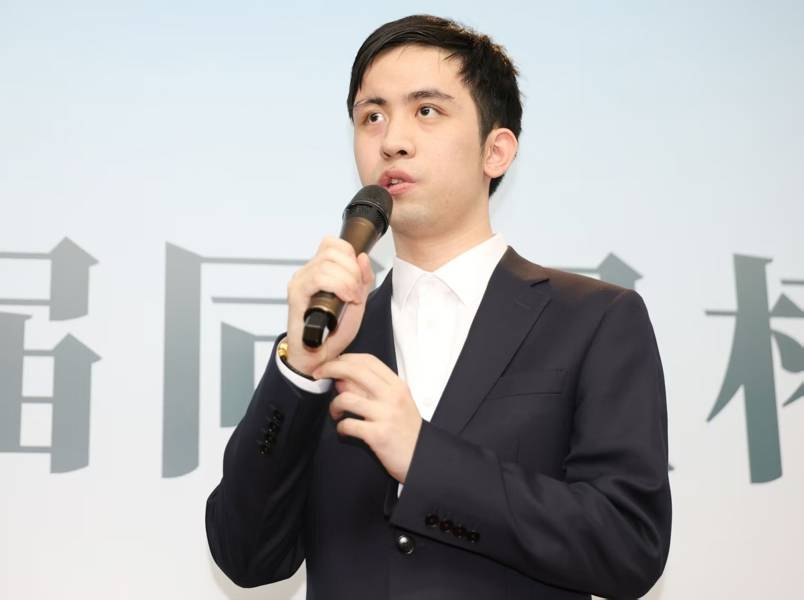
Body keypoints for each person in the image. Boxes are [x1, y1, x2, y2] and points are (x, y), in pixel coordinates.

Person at [206, 14, 671, 599]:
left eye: (426, 110)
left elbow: (629, 546)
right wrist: (299, 370)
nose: (392, 141)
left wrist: (424, 460)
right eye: (372, 117)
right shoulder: (335, 333)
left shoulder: (594, 319)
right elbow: (246, 555)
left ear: (496, 151)